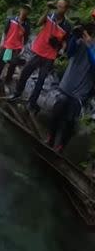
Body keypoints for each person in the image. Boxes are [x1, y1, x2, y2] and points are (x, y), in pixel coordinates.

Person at [11, 0, 73, 113]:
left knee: (41, 80)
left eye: (62, 7)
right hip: (39, 50)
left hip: (50, 55)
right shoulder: (50, 15)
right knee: (25, 72)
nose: (59, 8)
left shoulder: (67, 26)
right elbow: (39, 23)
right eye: (58, 6)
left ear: (66, 9)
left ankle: (32, 102)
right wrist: (47, 9)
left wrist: (62, 48)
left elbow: (65, 42)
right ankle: (17, 93)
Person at [46, 19, 95, 152]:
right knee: (57, 109)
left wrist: (90, 46)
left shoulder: (90, 44)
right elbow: (69, 52)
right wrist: (74, 36)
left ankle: (61, 145)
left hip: (81, 91)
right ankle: (51, 137)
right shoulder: (80, 41)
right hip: (67, 84)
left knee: (70, 119)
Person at [0, 4, 32, 89]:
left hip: (17, 47)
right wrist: (2, 41)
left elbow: (26, 37)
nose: (24, 11)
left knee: (13, 64)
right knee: (1, 63)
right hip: (8, 45)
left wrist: (23, 48)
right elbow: (5, 31)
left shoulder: (27, 24)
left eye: (27, 10)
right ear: (20, 9)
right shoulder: (11, 19)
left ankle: (7, 81)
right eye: (24, 9)